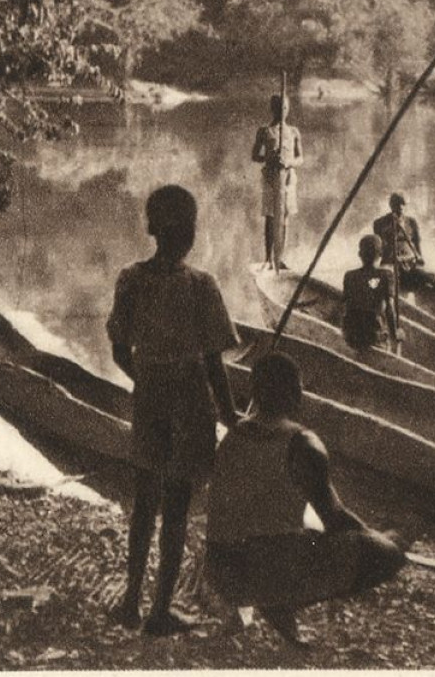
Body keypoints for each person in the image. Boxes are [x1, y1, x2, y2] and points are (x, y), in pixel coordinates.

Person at [106, 185, 242, 635]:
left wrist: (146, 379)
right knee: (177, 507)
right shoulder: (201, 286)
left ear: (153, 230)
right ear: (188, 233)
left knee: (144, 502)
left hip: (149, 399)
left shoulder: (130, 279)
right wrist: (231, 416)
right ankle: (160, 611)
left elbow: (119, 349)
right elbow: (213, 364)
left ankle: (129, 602)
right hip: (189, 405)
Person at [206, 352, 408, 645]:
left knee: (299, 529)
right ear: (295, 394)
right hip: (262, 571)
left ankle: (274, 598)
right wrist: (377, 539)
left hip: (221, 572)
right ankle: (280, 600)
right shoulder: (302, 443)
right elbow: (336, 518)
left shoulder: (232, 436)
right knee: (387, 555)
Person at [251, 94, 304, 271]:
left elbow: (300, 158)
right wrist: (269, 157)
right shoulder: (264, 131)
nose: (283, 112)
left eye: (286, 108)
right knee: (270, 217)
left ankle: (280, 257)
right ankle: (268, 258)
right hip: (270, 178)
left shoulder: (294, 131)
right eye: (279, 108)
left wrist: (288, 162)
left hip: (288, 178)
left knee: (285, 216)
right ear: (272, 109)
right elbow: (255, 156)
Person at [373, 192, 435, 295]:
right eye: (397, 203)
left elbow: (417, 244)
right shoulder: (380, 223)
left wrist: (419, 258)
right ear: (391, 205)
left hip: (410, 264)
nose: (400, 206)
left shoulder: (411, 222)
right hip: (391, 265)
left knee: (431, 276)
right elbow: (381, 249)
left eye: (402, 203)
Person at [340, 235, 399, 352]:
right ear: (381, 255)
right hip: (374, 338)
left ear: (359, 254)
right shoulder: (387, 275)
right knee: (397, 333)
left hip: (352, 337)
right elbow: (390, 309)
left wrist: (344, 333)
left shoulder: (349, 276)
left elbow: (344, 307)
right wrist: (395, 336)